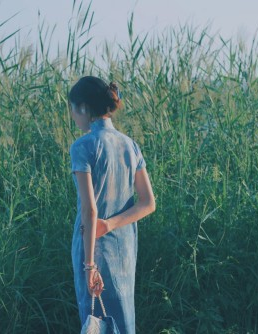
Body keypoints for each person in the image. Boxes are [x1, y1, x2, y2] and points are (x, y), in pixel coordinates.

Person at [68, 76, 156, 333]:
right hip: (124, 248)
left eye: (73, 109)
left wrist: (89, 266)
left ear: (84, 107)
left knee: (94, 323)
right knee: (123, 321)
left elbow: (90, 209)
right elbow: (148, 203)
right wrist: (111, 224)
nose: (73, 117)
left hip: (93, 248)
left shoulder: (82, 147)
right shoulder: (130, 145)